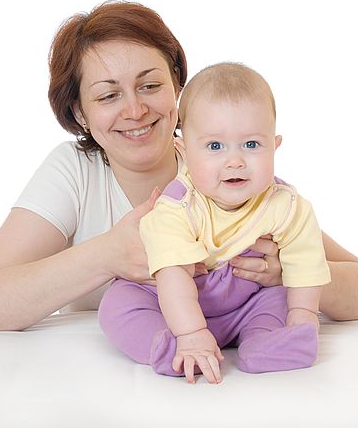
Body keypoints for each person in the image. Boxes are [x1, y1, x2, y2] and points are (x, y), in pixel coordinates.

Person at [0, 0, 358, 333]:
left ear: (178, 87)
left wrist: (290, 274)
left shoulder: (226, 166)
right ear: (80, 112)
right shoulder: (74, 171)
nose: (135, 109)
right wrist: (107, 255)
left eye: (150, 86)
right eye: (109, 96)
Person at [98, 63, 331, 384]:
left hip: (242, 302)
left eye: (251, 145)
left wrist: (302, 319)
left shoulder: (286, 205)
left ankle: (264, 343)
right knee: (118, 306)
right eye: (215, 147)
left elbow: (306, 265)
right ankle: (168, 347)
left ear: (274, 147)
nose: (234, 161)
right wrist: (192, 334)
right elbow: (174, 274)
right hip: (170, 302)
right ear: (185, 150)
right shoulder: (176, 207)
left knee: (278, 296)